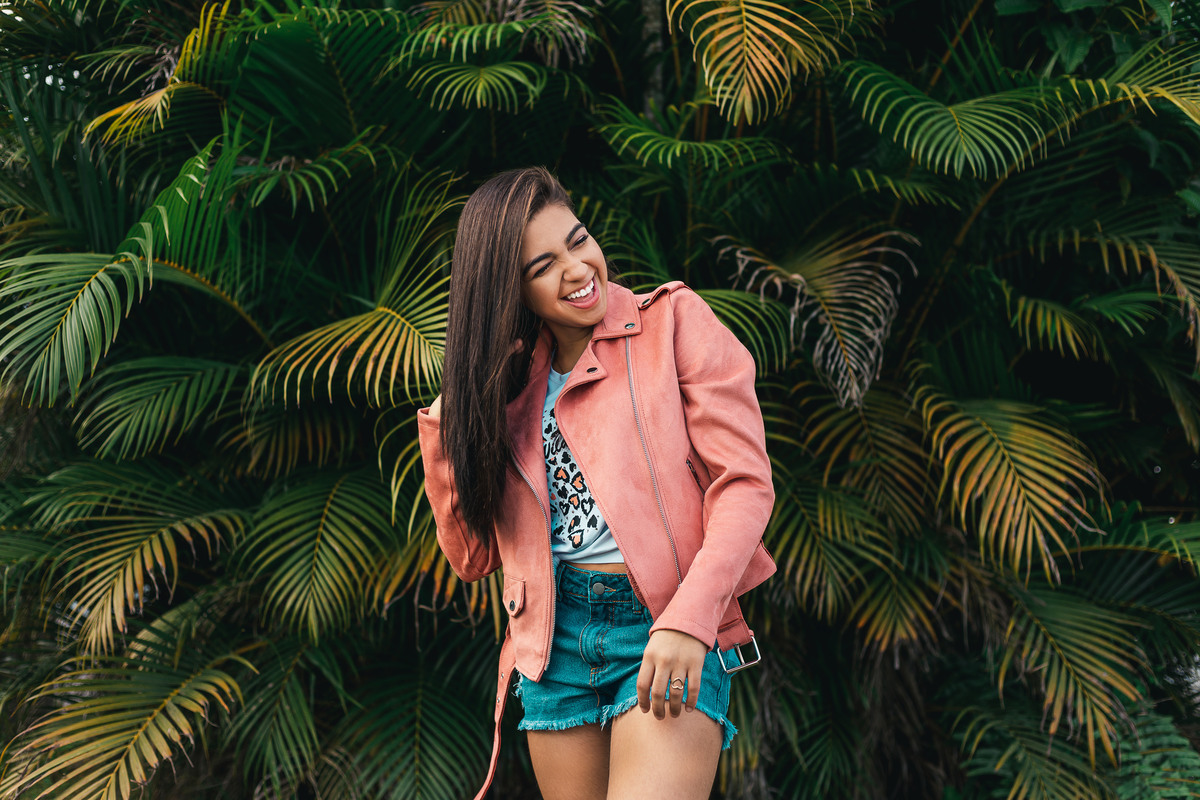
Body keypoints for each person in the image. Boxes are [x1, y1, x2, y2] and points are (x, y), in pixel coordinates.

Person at [417, 166, 776, 800]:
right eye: (542, 267)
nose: (578, 269)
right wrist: (452, 423)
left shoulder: (672, 322)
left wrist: (690, 620)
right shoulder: (510, 386)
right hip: (553, 645)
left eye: (578, 240)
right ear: (510, 291)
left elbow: (744, 484)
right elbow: (473, 558)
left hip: (662, 619)